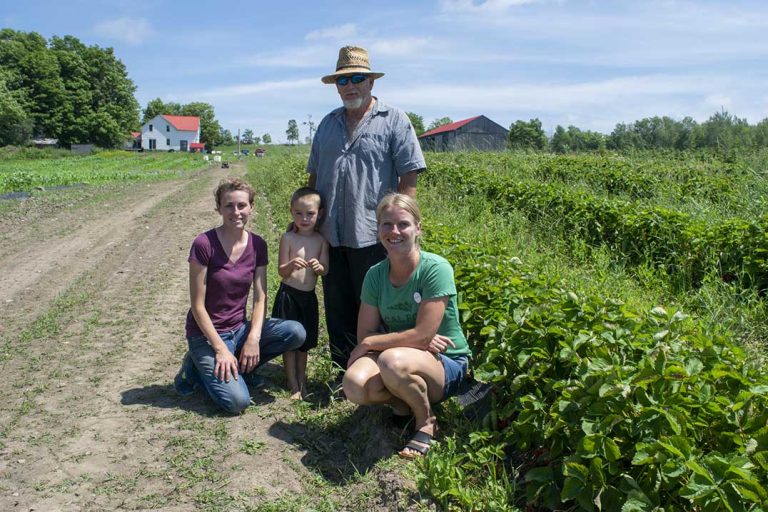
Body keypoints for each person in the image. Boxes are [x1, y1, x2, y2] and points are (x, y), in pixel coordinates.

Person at [307, 45, 426, 383]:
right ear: (336, 85)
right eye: (343, 80)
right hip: (332, 233)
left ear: (371, 82)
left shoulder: (395, 121)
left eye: (357, 78)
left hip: (374, 235)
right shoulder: (328, 124)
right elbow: (314, 177)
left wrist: (402, 228)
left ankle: (376, 379)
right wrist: (310, 222)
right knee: (338, 305)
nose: (350, 86)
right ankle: (342, 375)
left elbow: (409, 178)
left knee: (375, 310)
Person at [343, 193, 471, 458]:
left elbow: (421, 336)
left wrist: (372, 343)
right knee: (354, 384)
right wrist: (412, 340)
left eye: (403, 224)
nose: (394, 231)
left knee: (391, 361)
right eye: (386, 225)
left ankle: (426, 421)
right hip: (403, 355)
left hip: (446, 361)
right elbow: (366, 332)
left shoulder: (436, 269)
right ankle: (401, 401)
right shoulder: (375, 274)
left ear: (418, 228)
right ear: (378, 229)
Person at [174, 178, 306, 414]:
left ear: (251, 208)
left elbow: (260, 297)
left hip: (239, 329)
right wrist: (220, 349)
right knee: (237, 402)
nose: (236, 212)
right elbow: (197, 306)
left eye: (242, 205)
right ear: (218, 208)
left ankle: (242, 367)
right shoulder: (204, 244)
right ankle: (194, 369)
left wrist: (253, 338)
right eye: (229, 206)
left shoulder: (257, 245)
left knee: (295, 332)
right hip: (207, 336)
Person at [272, 187, 329, 400]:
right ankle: (292, 383)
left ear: (319, 213)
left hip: (308, 297)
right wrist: (290, 265)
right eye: (299, 213)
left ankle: (302, 381)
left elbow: (326, 270)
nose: (304, 218)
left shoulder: (321, 241)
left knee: (304, 344)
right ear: (291, 212)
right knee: (290, 342)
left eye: (310, 214)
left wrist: (318, 266)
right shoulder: (288, 238)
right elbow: (281, 271)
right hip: (288, 295)